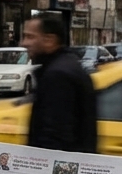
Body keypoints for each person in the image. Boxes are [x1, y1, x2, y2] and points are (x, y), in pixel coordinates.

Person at [23, 13, 97, 153]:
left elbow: (54, 137)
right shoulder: (65, 65)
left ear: (49, 40)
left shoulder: (57, 75)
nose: (24, 43)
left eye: (30, 37)